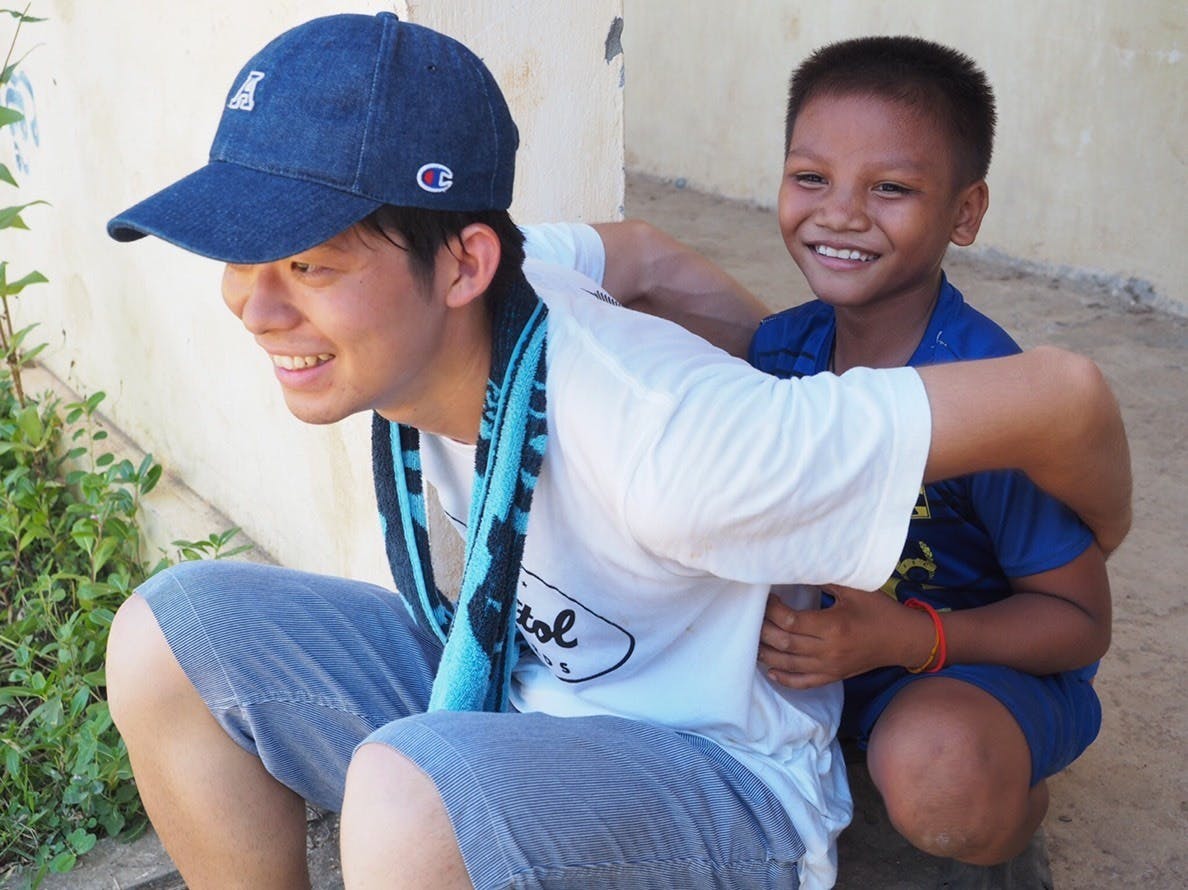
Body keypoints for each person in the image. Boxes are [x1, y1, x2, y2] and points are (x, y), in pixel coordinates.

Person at [101, 14, 1129, 890]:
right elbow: (634, 250)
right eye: (245, 256)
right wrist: (771, 349)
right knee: (167, 634)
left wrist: (770, 417)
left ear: (463, 267)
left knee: (409, 796)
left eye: (311, 264)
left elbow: (1067, 394)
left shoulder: (689, 448)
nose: (256, 308)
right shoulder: (510, 271)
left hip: (711, 776)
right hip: (525, 681)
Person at [593, 35, 1112, 884]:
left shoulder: (989, 394)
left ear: (966, 213)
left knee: (940, 776)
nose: (840, 213)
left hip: (967, 664)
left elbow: (1079, 623)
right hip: (818, 661)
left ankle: (1013, 818)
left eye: (891, 188)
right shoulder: (778, 353)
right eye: (811, 177)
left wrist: (908, 639)